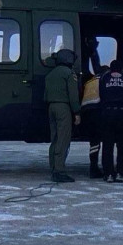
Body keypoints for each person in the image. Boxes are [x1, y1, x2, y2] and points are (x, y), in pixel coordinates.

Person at [43, 49, 81, 183]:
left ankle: (53, 167)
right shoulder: (69, 73)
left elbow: (45, 95)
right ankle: (59, 171)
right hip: (63, 107)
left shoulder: (50, 74)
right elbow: (73, 95)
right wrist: (76, 112)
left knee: (54, 139)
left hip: (51, 106)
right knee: (63, 139)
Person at [98, 59, 123, 183]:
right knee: (122, 145)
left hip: (107, 113)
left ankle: (108, 174)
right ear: (121, 69)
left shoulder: (104, 77)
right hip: (122, 113)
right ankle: (121, 173)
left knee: (107, 145)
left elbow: (101, 94)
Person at [80, 65, 105, 179]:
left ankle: (93, 167)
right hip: (97, 111)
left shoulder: (90, 81)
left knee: (94, 142)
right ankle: (104, 168)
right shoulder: (104, 80)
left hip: (86, 112)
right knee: (106, 140)